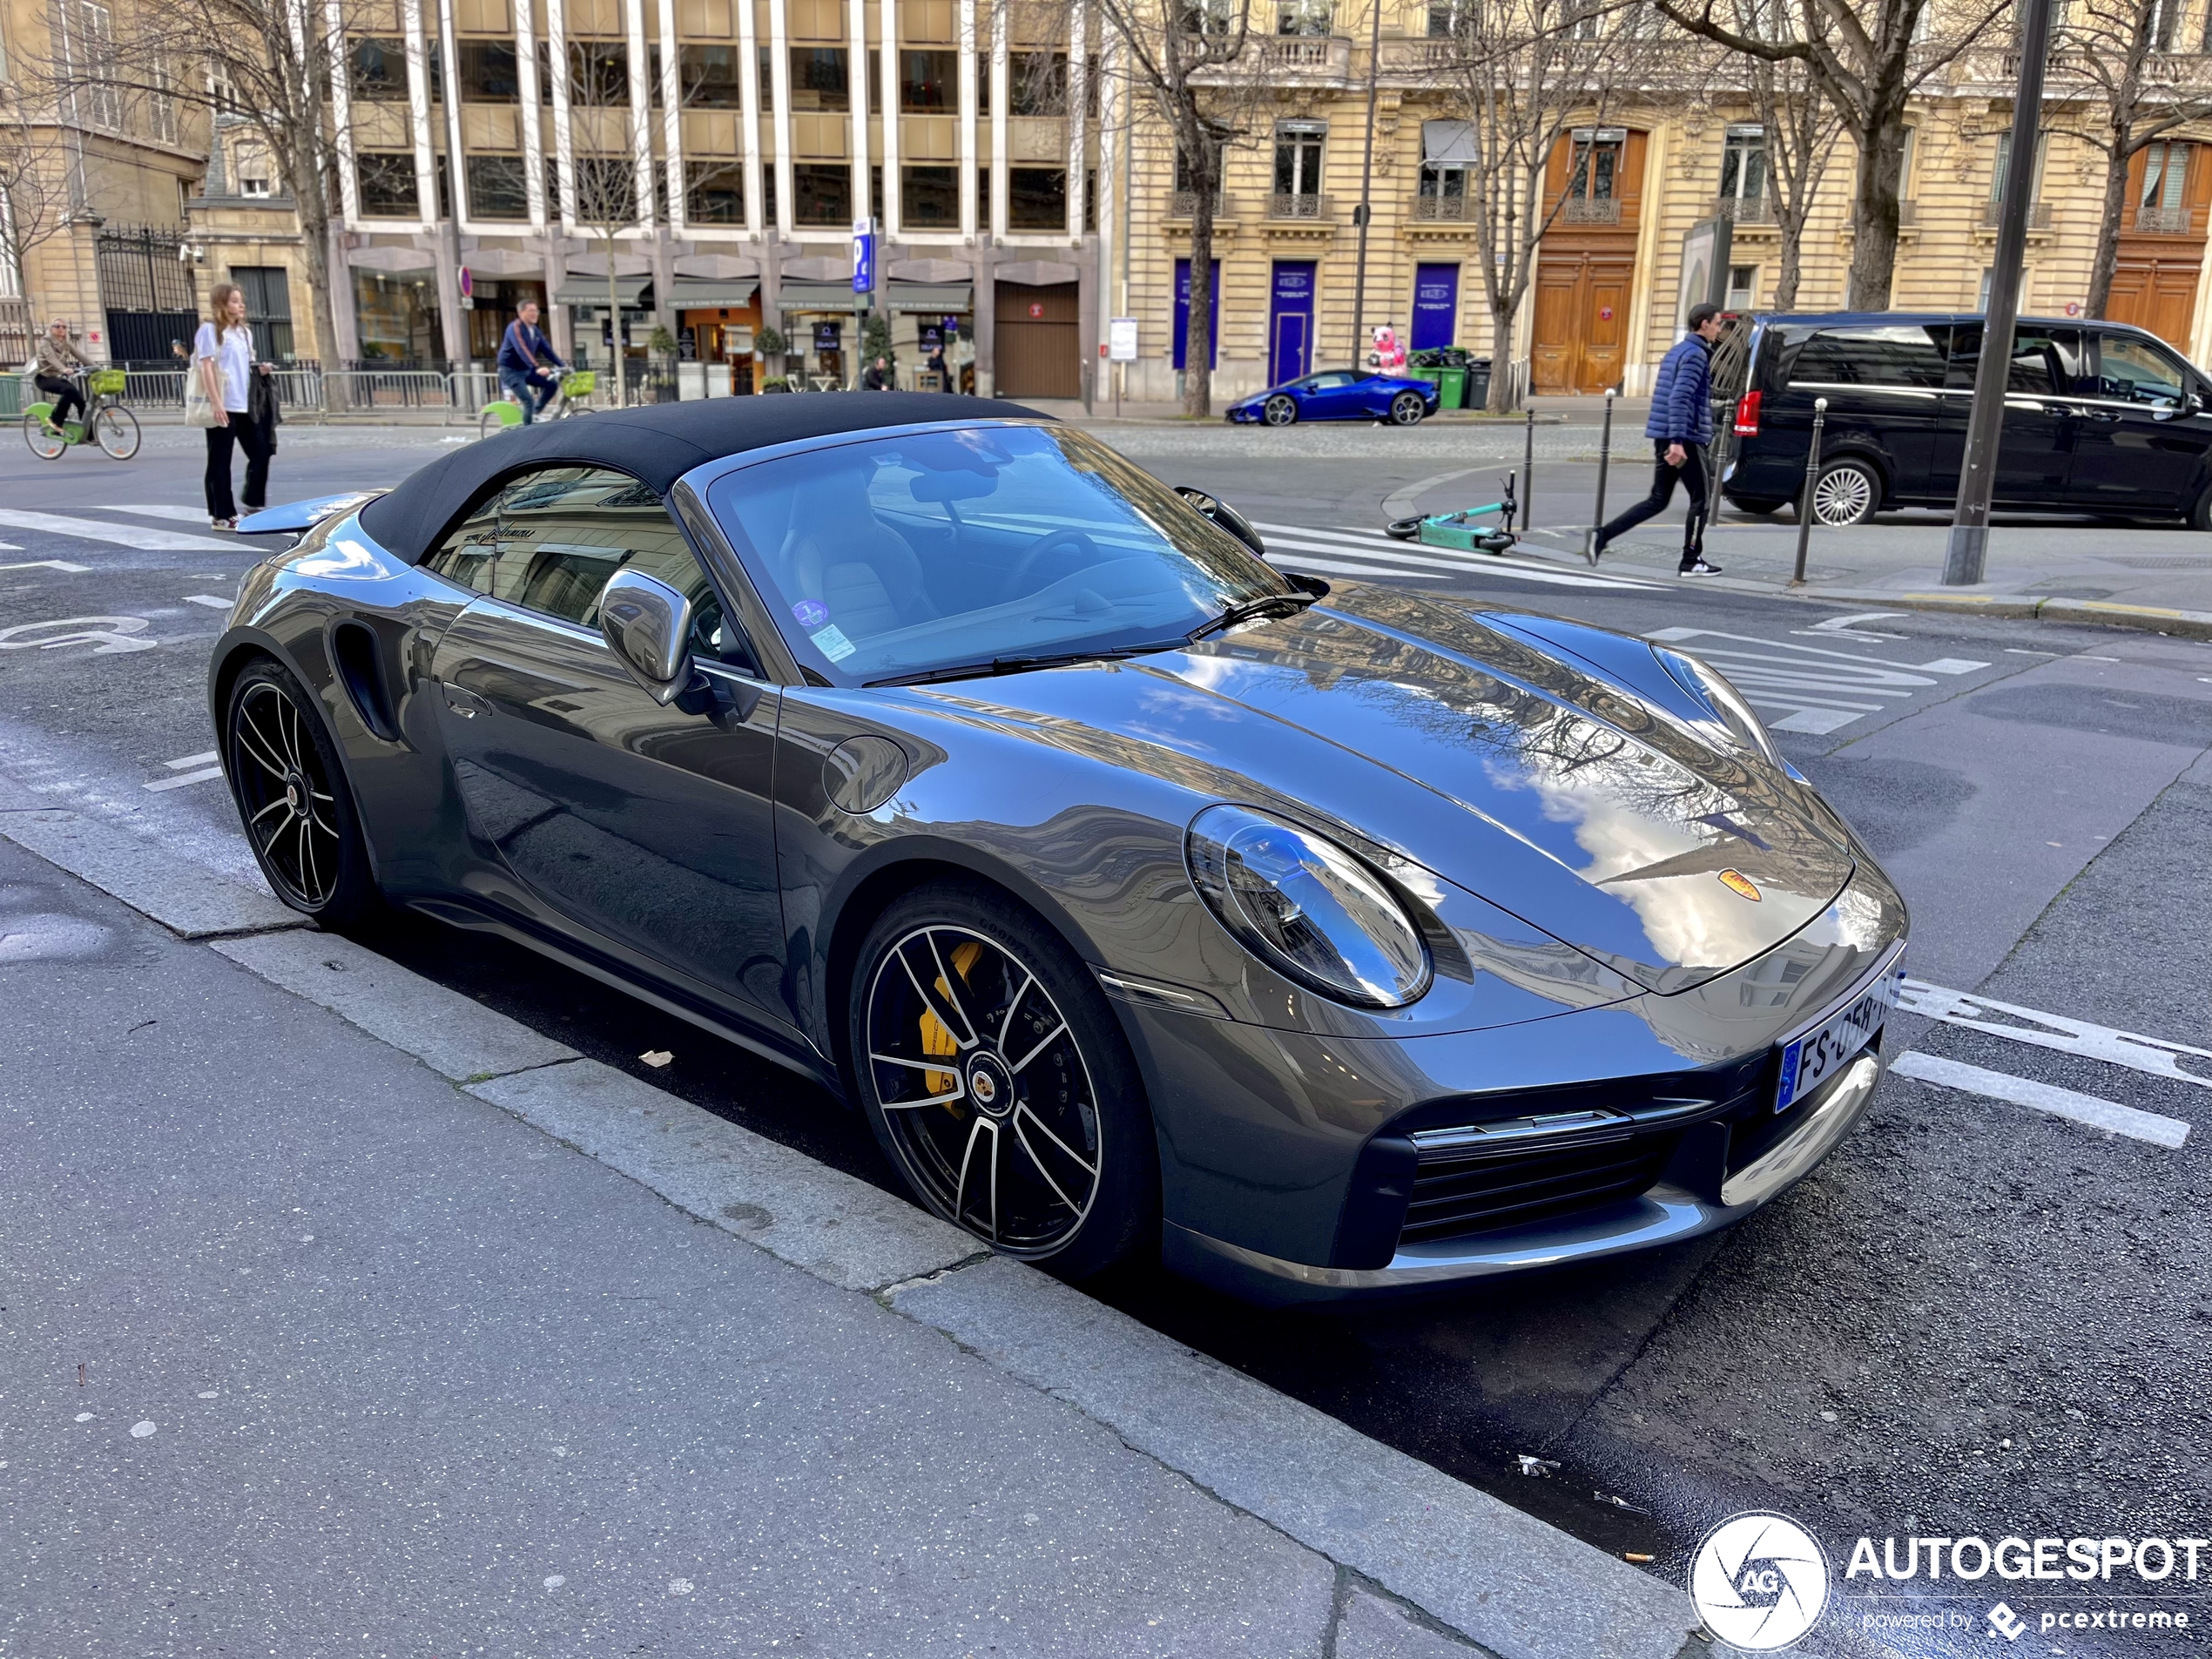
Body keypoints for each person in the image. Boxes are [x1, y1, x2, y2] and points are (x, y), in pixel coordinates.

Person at [1592, 302, 1726, 577]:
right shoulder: (1696, 355)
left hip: (1666, 435)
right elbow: (1679, 398)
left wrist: (1669, 438)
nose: (1719, 329)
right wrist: (1678, 441)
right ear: (1704, 324)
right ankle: (1691, 559)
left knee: (1658, 499)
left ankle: (1602, 536)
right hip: (1684, 438)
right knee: (1702, 500)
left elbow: (1666, 396)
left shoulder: (1677, 351)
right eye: (1718, 323)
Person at [196, 282, 272, 530]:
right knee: (220, 461)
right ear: (222, 304)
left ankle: (253, 501)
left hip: (245, 404)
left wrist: (260, 369)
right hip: (224, 404)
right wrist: (216, 402)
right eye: (235, 301)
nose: (241, 305)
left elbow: (245, 366)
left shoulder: (244, 333)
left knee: (261, 452)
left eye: (241, 300)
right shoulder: (210, 331)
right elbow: (205, 367)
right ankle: (221, 515)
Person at [498, 300, 566, 421]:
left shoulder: (534, 330)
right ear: (520, 312)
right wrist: (537, 367)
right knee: (528, 401)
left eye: (536, 311)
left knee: (552, 384)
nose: (535, 314)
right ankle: (527, 435)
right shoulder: (515, 327)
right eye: (531, 311)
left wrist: (563, 365)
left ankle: (534, 413)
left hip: (526, 370)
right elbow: (521, 348)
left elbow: (547, 350)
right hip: (510, 372)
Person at [34, 319, 92, 435]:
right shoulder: (45, 341)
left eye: (64, 327)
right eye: (57, 326)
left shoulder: (66, 343)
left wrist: (97, 367)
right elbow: (51, 358)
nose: (61, 329)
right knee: (69, 390)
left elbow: (81, 356)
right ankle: (55, 421)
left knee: (81, 402)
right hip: (43, 378)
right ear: (51, 328)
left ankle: (88, 435)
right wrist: (64, 369)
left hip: (56, 377)